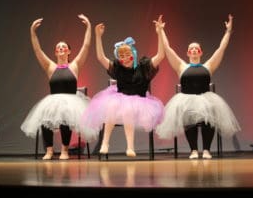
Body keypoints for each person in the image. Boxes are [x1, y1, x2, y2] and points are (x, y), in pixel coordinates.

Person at [156, 14, 241, 159]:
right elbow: (168, 48)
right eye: (191, 48)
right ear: (188, 52)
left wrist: (228, 32)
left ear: (200, 52)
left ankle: (207, 150)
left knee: (210, 118)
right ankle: (194, 150)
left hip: (206, 98)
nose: (194, 50)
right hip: (187, 99)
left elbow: (221, 49)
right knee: (189, 118)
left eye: (196, 48)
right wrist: (161, 30)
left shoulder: (208, 65)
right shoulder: (181, 66)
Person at [81, 15, 165, 157]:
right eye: (121, 56)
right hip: (119, 100)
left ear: (133, 54)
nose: (125, 58)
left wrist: (160, 33)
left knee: (128, 110)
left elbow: (161, 55)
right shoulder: (118, 68)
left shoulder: (143, 67)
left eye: (128, 55)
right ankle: (105, 143)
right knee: (113, 106)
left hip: (140, 103)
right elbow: (101, 58)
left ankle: (130, 147)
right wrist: (98, 36)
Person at [21, 14, 96, 160]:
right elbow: (38, 50)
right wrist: (32, 32)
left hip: (70, 102)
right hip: (53, 100)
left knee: (65, 119)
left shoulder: (74, 66)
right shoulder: (50, 66)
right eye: (58, 47)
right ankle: (49, 151)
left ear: (68, 51)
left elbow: (86, 46)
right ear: (56, 52)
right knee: (45, 118)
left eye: (64, 47)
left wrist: (88, 27)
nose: (61, 49)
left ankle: (64, 150)